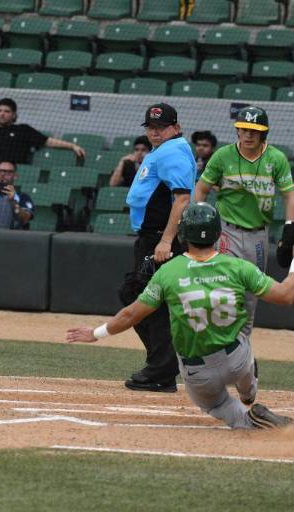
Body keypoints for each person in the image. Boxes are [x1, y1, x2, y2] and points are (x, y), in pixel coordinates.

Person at [68, 202, 294, 430]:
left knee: (218, 405)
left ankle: (248, 420)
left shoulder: (168, 272)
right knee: (243, 339)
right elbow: (286, 295)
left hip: (198, 372)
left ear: (182, 235)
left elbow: (131, 314)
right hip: (237, 358)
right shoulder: (239, 267)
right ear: (218, 233)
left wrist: (95, 333)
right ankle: (248, 391)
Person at [193, 106, 294, 339]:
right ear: (238, 131)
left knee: (251, 294)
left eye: (254, 130)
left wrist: (290, 228)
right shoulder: (223, 155)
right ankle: (216, 341)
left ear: (263, 133)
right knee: (222, 287)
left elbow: (289, 195)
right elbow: (201, 188)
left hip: (258, 235)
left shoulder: (276, 158)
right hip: (226, 231)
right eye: (244, 129)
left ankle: (242, 345)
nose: (248, 134)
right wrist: (198, 218)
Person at [120, 103, 196, 393]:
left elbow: (182, 199)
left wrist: (166, 240)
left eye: (161, 127)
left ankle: (162, 369)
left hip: (159, 239)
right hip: (151, 238)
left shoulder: (172, 151)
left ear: (176, 127)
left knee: (145, 297)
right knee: (139, 294)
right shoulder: (163, 150)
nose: (155, 132)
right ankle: (161, 366)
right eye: (151, 127)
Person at [0, 98, 86, 198]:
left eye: (7, 111)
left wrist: (72, 145)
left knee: (2, 172)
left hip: (8, 170)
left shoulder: (23, 130)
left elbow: (47, 141)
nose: (2, 114)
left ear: (14, 115)